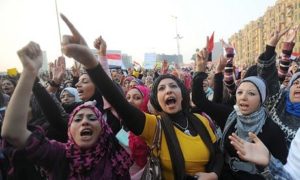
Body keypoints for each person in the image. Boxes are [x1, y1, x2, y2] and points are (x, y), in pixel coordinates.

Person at [60, 14, 223, 180]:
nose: (168, 91)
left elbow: (218, 153)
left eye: (173, 86)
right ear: (155, 100)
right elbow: (119, 102)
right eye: (161, 88)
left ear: (183, 94)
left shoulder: (201, 120)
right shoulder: (154, 126)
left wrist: (213, 174)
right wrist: (91, 62)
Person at [1, 41, 132, 179]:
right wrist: (29, 73)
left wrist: (99, 59)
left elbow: (111, 94)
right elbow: (14, 132)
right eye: (77, 119)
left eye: (93, 118)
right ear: (69, 130)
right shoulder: (59, 157)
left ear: (105, 130)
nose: (85, 121)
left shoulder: (117, 161)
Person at [192, 46, 288, 179]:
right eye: (240, 92)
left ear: (262, 99)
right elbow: (200, 100)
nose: (243, 97)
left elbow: (283, 169)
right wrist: (200, 70)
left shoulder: (273, 130)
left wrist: (268, 162)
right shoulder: (229, 115)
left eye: (252, 93)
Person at [256, 26, 300, 146]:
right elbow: (268, 79)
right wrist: (270, 47)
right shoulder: (277, 102)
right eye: (295, 83)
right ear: (288, 89)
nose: (298, 86)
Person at [229, 130, 300, 180]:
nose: (243, 107)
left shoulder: (273, 130)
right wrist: (270, 162)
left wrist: (270, 164)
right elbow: (288, 172)